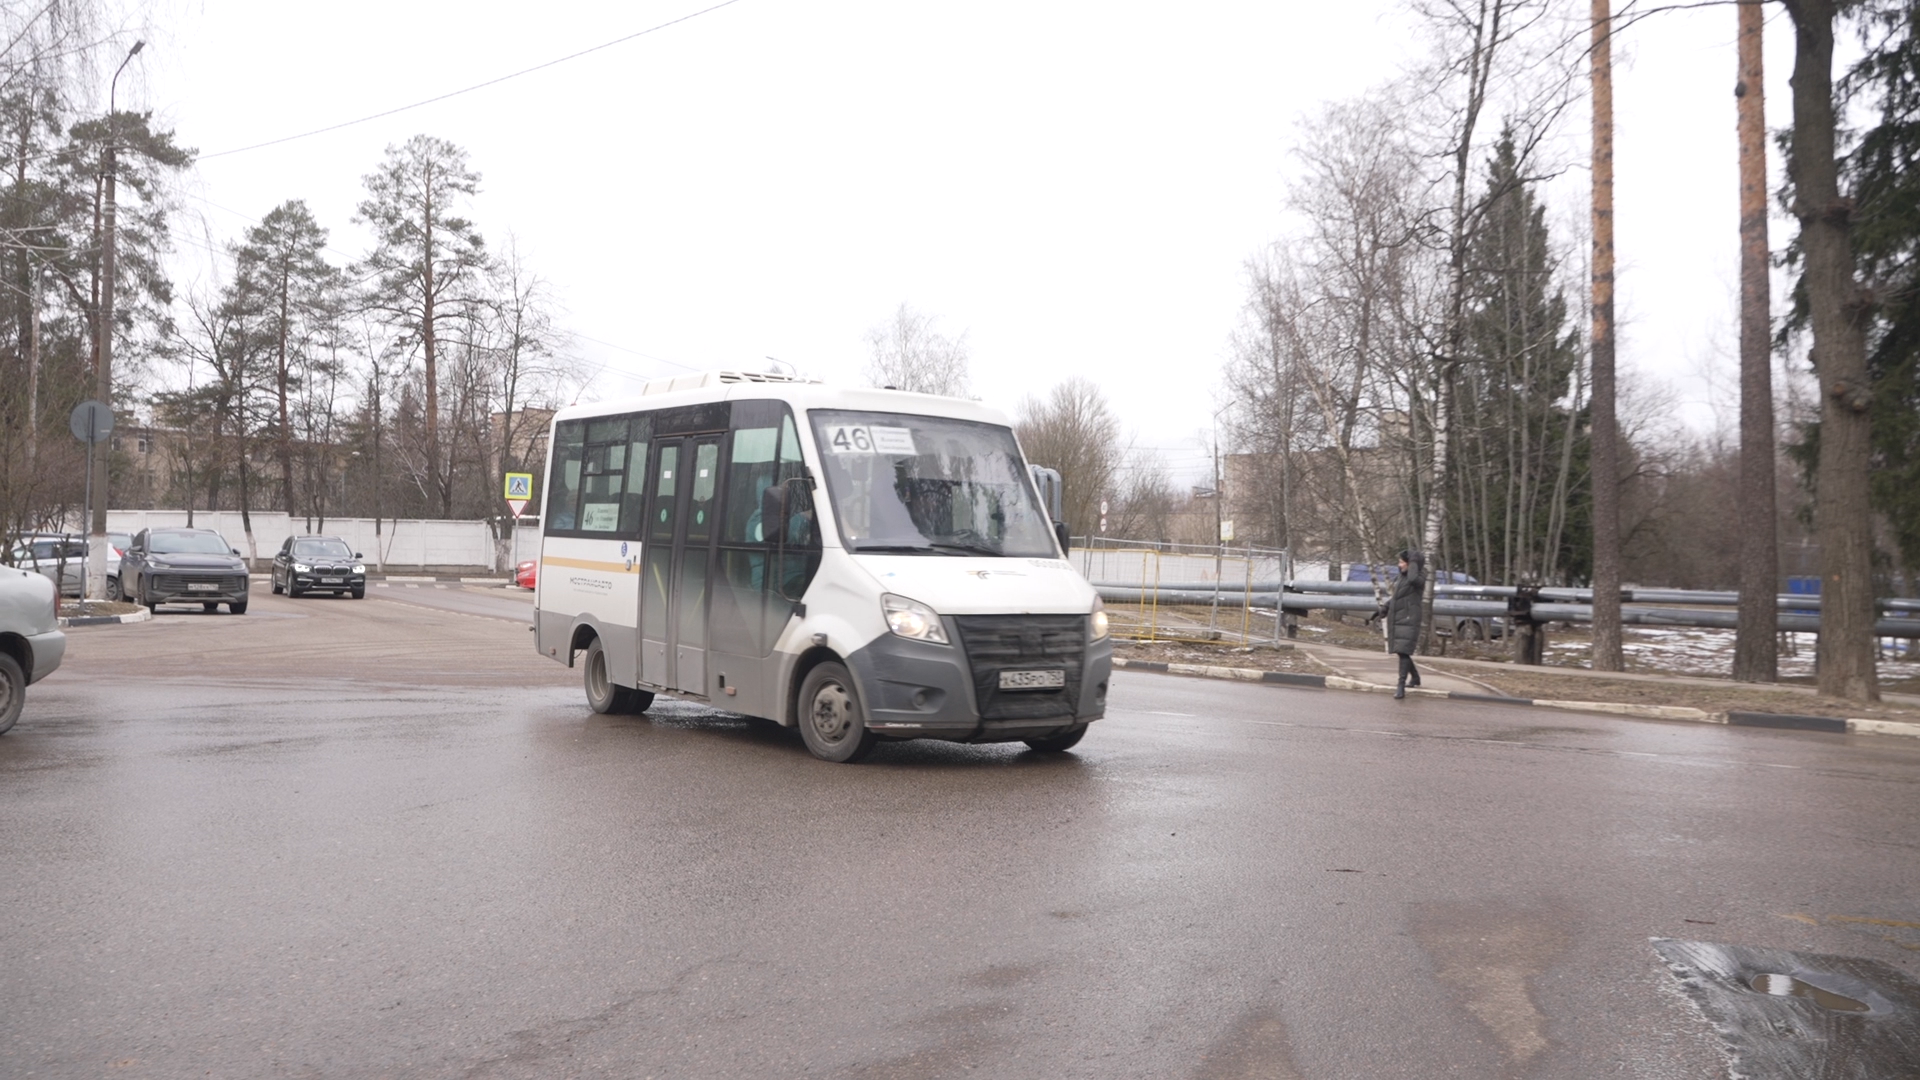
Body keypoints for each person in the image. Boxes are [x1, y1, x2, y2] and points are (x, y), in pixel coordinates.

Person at [1381, 549, 1426, 699]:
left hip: (1409, 618)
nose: (1399, 565)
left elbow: (1413, 579)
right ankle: (1415, 677)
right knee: (1402, 651)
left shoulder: (1419, 577)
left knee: (1404, 651)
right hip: (1400, 616)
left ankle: (1400, 685)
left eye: (1402, 562)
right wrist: (1386, 607)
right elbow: (1398, 597)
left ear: (1411, 564)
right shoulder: (1402, 576)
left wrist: (1413, 561)